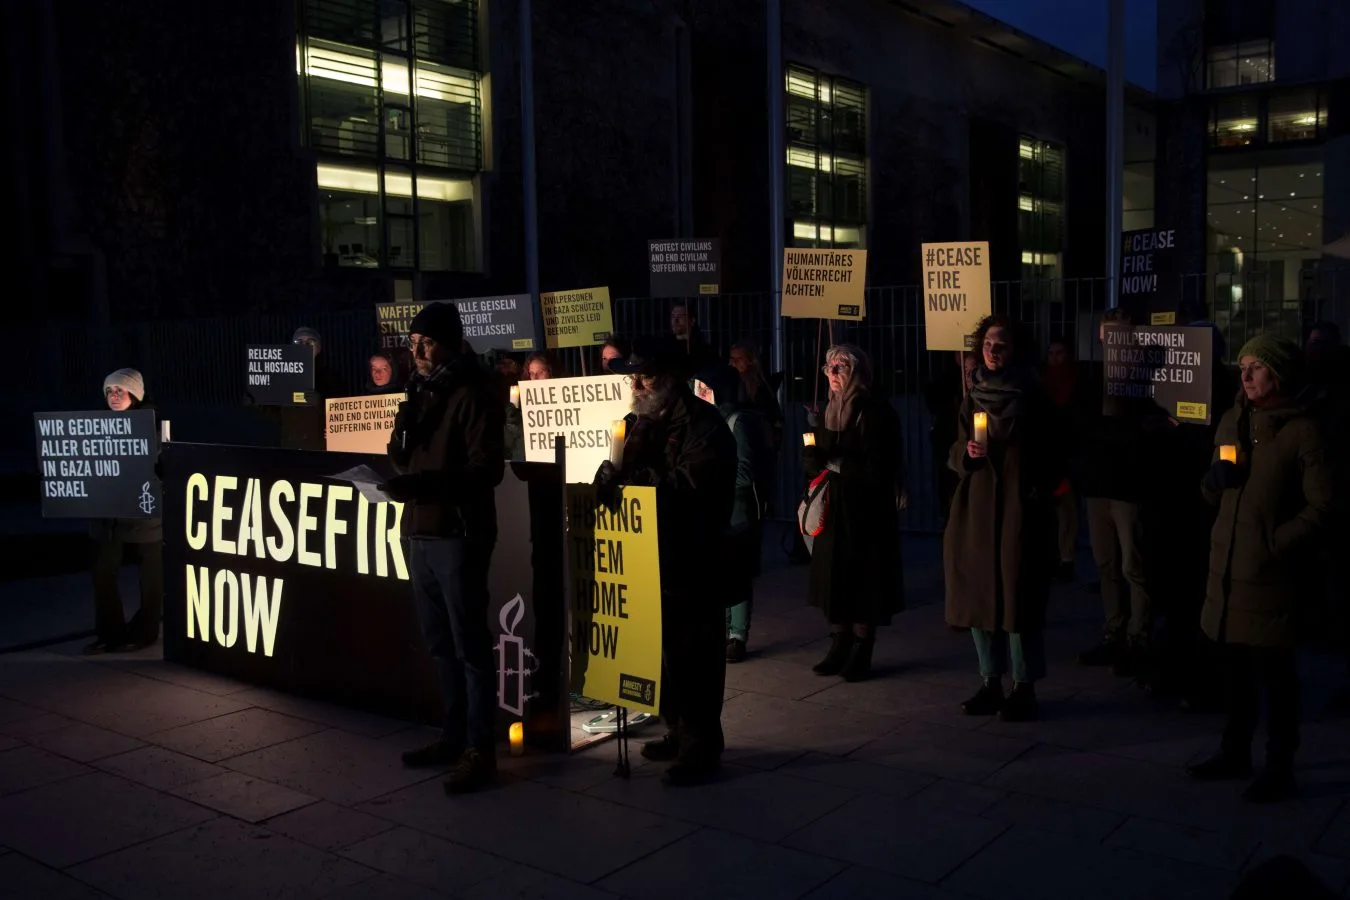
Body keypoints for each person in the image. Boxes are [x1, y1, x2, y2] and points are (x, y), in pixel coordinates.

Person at [1187, 335, 1334, 803]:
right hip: (1228, 571)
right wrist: (1213, 482)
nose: (1246, 376)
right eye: (1243, 366)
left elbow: (1323, 505)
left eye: (1257, 367)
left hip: (1270, 576)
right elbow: (1211, 490)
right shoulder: (1232, 420)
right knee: (1234, 675)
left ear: (1279, 374)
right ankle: (1234, 752)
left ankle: (1279, 766)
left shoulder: (1302, 430)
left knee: (1276, 676)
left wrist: (1277, 542)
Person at [595, 340, 737, 785]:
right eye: (633, 378)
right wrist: (608, 478)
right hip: (648, 557)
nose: (636, 385)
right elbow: (623, 471)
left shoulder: (704, 425)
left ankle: (701, 746)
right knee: (662, 657)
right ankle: (676, 730)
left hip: (693, 557)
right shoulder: (637, 424)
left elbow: (694, 488)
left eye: (646, 377)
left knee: (695, 657)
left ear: (670, 380)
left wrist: (643, 481)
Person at [383, 302, 506, 795]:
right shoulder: (420, 391)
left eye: (427, 343)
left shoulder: (473, 392)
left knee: (469, 643)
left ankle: (480, 749)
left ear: (450, 343)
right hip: (420, 530)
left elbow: (486, 470)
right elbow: (402, 457)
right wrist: (404, 425)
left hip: (458, 533)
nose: (417, 351)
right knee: (438, 642)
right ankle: (452, 736)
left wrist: (422, 485)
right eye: (413, 342)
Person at [945, 316, 1062, 722]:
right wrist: (966, 454)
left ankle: (1024, 686)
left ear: (1016, 351)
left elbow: (1055, 453)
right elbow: (955, 449)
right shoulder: (973, 397)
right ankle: (990, 681)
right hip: (977, 510)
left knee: (1018, 599)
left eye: (1002, 346)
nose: (993, 352)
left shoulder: (1033, 397)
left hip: (1018, 510)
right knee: (980, 595)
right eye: (988, 345)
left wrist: (1033, 484)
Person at [803, 344, 904, 682]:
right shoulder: (828, 410)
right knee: (835, 577)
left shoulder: (876, 412)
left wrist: (834, 462)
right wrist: (812, 459)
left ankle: (862, 647)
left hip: (866, 511)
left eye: (841, 367)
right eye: (829, 367)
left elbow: (879, 467)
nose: (833, 373)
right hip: (835, 508)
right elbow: (820, 455)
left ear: (858, 373)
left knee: (864, 580)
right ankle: (839, 642)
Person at [1076, 308, 1155, 676]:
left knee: (1133, 565)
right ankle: (1115, 631)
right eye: (1108, 335)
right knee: (1106, 564)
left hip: (1129, 488)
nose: (1113, 342)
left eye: (1120, 334)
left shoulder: (1147, 380)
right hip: (1099, 485)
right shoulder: (1093, 378)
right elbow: (1080, 426)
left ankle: (1139, 638)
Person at [694, 365, 773, 664]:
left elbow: (744, 471)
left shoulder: (736, 421)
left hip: (736, 506)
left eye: (705, 388)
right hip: (717, 504)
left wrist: (709, 478)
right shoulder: (710, 419)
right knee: (721, 568)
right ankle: (724, 630)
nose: (700, 394)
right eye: (697, 388)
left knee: (737, 567)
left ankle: (737, 635)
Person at [85, 368, 164, 655]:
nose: (114, 396)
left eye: (121, 390)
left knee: (151, 578)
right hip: (107, 518)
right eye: (109, 391)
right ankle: (109, 634)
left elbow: (164, 470)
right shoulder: (94, 427)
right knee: (102, 573)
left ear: (135, 394)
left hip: (144, 517)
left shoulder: (153, 427)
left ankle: (144, 632)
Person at [247, 326, 349, 451]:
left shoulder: (331, 378)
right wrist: (257, 404)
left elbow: (344, 418)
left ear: (319, 347)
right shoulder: (283, 377)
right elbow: (280, 417)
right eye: (299, 341)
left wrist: (320, 403)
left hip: (320, 451)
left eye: (310, 341)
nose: (304, 345)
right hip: (290, 449)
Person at [1042, 336, 1085, 582]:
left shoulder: (1076, 382)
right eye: (1051, 354)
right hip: (1049, 453)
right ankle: (1055, 556)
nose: (1055, 358)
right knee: (1053, 510)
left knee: (1068, 510)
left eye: (1059, 353)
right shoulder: (1043, 382)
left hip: (1069, 453)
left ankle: (1066, 558)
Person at [728, 341, 783, 448]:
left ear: (750, 360)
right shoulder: (728, 383)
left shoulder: (760, 386)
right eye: (732, 358)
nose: (734, 362)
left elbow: (773, 415)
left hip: (757, 438)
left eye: (739, 358)